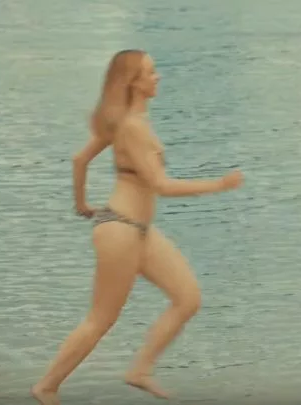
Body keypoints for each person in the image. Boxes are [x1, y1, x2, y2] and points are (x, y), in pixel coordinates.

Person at [30, 49, 244, 405]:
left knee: (188, 298)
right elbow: (161, 185)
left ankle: (140, 370)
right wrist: (219, 184)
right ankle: (47, 386)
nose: (157, 77)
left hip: (138, 230)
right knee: (101, 319)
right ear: (133, 82)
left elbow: (80, 159)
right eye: (150, 72)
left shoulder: (127, 121)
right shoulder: (131, 127)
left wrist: (82, 204)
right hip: (121, 229)